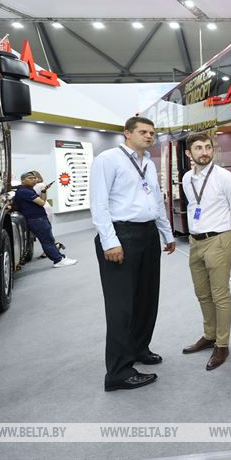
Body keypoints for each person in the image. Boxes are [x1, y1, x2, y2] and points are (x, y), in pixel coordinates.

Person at [90, 116, 176, 392]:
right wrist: (109, 241)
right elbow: (99, 203)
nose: (149, 136)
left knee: (146, 299)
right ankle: (118, 372)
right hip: (121, 235)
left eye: (152, 132)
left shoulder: (148, 163)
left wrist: (167, 233)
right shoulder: (108, 159)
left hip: (148, 234)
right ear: (127, 133)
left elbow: (156, 201)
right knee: (121, 306)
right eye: (143, 132)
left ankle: (139, 348)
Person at [180, 132, 231, 371]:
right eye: (198, 148)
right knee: (202, 293)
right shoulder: (187, 179)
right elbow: (193, 207)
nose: (205, 152)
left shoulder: (225, 178)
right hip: (195, 242)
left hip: (219, 239)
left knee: (220, 295)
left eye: (208, 147)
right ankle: (209, 336)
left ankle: (222, 344)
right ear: (189, 153)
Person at [13, 171, 77, 268]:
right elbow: (42, 203)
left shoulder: (28, 190)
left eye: (34, 178)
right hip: (36, 219)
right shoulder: (24, 191)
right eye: (30, 178)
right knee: (47, 241)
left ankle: (60, 257)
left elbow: (43, 200)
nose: (33, 180)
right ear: (22, 181)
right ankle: (58, 260)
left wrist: (43, 191)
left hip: (38, 218)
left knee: (49, 239)